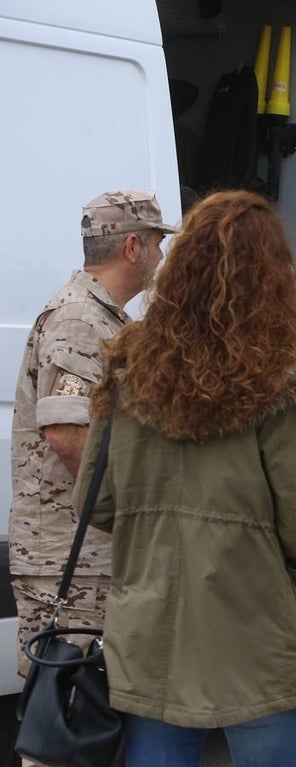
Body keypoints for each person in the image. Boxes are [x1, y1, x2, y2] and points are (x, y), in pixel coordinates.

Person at [72, 190, 296, 767]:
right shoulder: (283, 375)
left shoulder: (128, 365)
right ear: (269, 275)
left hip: (150, 631)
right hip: (257, 634)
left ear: (181, 266)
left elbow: (95, 500)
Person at [9, 190, 174, 694]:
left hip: (87, 554)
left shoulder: (104, 317)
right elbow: (67, 434)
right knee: (67, 720)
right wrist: (128, 512)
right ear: (132, 247)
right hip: (71, 557)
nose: (161, 256)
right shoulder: (80, 320)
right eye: (156, 243)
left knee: (89, 719)